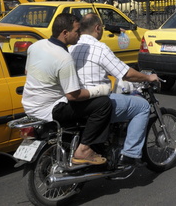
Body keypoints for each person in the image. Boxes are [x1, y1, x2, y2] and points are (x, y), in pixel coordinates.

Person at [21, 13, 113, 166]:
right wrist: (101, 90)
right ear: (65, 33)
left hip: (29, 105)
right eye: (76, 31)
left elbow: (27, 72)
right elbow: (73, 95)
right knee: (103, 104)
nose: (79, 34)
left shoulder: (36, 46)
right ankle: (84, 149)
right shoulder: (64, 57)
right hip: (50, 110)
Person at [70, 13, 159, 170]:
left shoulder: (71, 47)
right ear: (97, 28)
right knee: (142, 106)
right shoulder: (99, 48)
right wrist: (148, 77)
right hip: (98, 103)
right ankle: (130, 154)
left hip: (75, 103)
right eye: (102, 28)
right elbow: (126, 74)